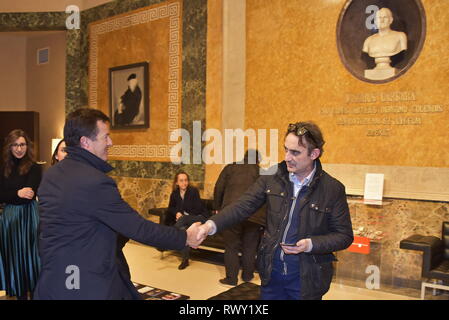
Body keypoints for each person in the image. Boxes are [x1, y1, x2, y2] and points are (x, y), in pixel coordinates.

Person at [34, 108, 201, 300]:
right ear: (85, 142)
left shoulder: (51, 175)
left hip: (54, 277)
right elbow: (138, 228)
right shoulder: (94, 182)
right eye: (106, 137)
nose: (110, 142)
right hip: (84, 282)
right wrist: (185, 237)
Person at [197, 122, 354, 300]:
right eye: (286, 149)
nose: (287, 157)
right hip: (271, 275)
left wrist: (311, 244)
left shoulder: (332, 189)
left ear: (314, 154)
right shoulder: (272, 177)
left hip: (307, 280)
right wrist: (208, 226)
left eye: (295, 152)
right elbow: (242, 206)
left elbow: (344, 236)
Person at [213, 149, 265, 286]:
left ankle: (231, 279)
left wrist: (217, 208)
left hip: (232, 213)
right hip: (254, 215)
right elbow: (267, 196)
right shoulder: (262, 172)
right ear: (258, 160)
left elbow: (219, 187)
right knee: (250, 247)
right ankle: (247, 276)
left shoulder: (231, 168)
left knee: (231, 246)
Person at [0, 129, 42, 299]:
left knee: (33, 257)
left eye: (22, 144)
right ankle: (20, 294)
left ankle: (36, 293)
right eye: (15, 145)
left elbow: (29, 195)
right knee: (14, 258)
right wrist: (17, 193)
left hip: (29, 217)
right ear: (9, 147)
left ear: (28, 146)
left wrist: (11, 194)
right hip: (9, 220)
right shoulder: (3, 168)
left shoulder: (35, 168)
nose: (19, 149)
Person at [166, 171, 208, 270]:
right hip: (185, 221)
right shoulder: (174, 194)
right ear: (176, 182)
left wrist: (183, 214)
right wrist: (177, 213)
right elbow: (170, 208)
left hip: (199, 217)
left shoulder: (193, 191)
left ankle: (167, 238)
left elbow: (198, 209)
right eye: (181, 181)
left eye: (186, 180)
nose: (184, 183)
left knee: (183, 219)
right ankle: (185, 260)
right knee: (183, 230)